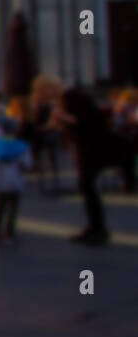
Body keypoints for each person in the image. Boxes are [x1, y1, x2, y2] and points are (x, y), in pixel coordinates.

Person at [41, 76, 112, 245]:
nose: (45, 96)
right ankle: (95, 227)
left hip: (91, 148)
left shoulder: (73, 96)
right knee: (86, 186)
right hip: (84, 147)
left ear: (51, 88)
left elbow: (84, 120)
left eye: (45, 91)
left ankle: (98, 229)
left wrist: (62, 116)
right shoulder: (65, 99)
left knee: (87, 185)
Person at [0, 117, 32, 243]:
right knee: (13, 207)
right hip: (15, 180)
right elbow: (27, 164)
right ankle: (9, 232)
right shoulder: (22, 146)